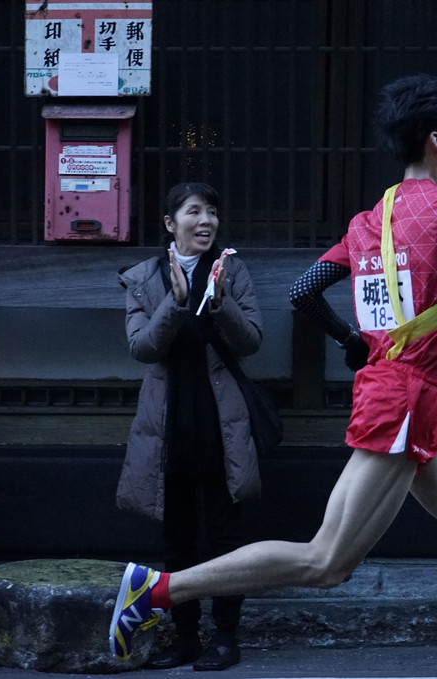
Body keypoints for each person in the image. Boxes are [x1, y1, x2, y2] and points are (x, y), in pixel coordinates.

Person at [109, 75, 437, 679]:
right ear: (436, 141)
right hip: (404, 404)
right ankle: (157, 591)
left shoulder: (368, 220)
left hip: (401, 401)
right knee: (325, 562)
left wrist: (353, 342)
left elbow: (304, 293)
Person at [115, 182, 263, 671]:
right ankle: (184, 637)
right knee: (177, 539)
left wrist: (220, 301)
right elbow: (142, 348)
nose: (206, 221)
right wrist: (175, 304)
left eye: (212, 212)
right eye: (194, 212)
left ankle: (225, 636)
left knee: (225, 538)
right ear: (169, 223)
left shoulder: (233, 270)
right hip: (169, 424)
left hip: (222, 423)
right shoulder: (144, 277)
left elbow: (252, 342)